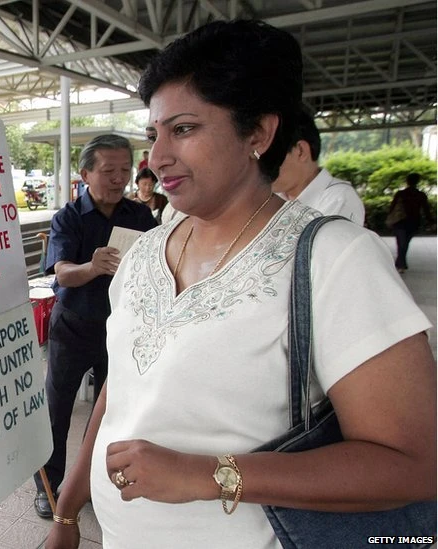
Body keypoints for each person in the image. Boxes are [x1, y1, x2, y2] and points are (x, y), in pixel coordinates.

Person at [46, 19, 435, 549]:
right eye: (154, 134)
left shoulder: (333, 258)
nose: (157, 158)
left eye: (183, 129)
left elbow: (413, 464)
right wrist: (69, 509)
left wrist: (209, 475)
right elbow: (125, 387)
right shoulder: (143, 256)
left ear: (258, 133)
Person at [33, 134, 158, 519]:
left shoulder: (139, 217)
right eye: (108, 171)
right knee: (57, 409)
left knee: (112, 411)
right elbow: (63, 274)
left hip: (119, 329)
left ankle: (94, 483)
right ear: (86, 173)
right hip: (72, 326)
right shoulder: (67, 218)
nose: (118, 178)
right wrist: (94, 265)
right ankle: (49, 490)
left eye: (125, 170)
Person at [272, 108, 365, 224]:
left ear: (301, 151)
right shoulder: (273, 199)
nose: (259, 167)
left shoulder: (339, 199)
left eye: (269, 157)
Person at [388, 172, 431, 273]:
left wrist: (390, 217)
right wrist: (430, 221)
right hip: (413, 222)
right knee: (405, 243)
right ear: (417, 182)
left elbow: (392, 207)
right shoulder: (420, 195)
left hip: (399, 221)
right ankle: (401, 264)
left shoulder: (400, 194)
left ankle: (400, 264)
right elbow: (426, 209)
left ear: (407, 181)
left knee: (401, 243)